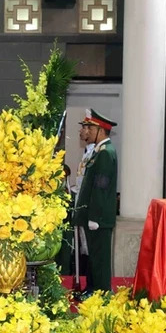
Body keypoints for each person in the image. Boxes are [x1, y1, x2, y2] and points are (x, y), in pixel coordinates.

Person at [73, 109, 118, 293]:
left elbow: (101, 188)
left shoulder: (106, 153)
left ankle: (102, 292)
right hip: (93, 215)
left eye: (90, 128)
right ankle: (92, 288)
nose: (87, 131)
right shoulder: (98, 152)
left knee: (100, 258)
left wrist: (94, 216)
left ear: (100, 130)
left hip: (98, 218)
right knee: (92, 256)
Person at [72, 114, 98, 285]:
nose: (80, 131)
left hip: (89, 208)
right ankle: (86, 283)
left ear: (91, 130)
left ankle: (92, 285)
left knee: (90, 249)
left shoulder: (96, 154)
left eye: (84, 127)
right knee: (83, 248)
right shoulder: (87, 152)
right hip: (80, 204)